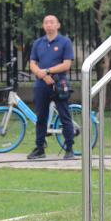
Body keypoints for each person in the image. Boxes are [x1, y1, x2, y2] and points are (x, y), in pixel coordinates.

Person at [27, 15, 76, 160]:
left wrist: (48, 71)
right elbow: (32, 63)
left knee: (64, 116)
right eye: (46, 22)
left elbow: (67, 64)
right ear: (43, 26)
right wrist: (41, 74)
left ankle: (69, 148)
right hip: (41, 85)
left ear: (58, 25)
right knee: (41, 117)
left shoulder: (65, 42)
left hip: (59, 84)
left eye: (51, 22)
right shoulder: (38, 43)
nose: (49, 25)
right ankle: (40, 148)